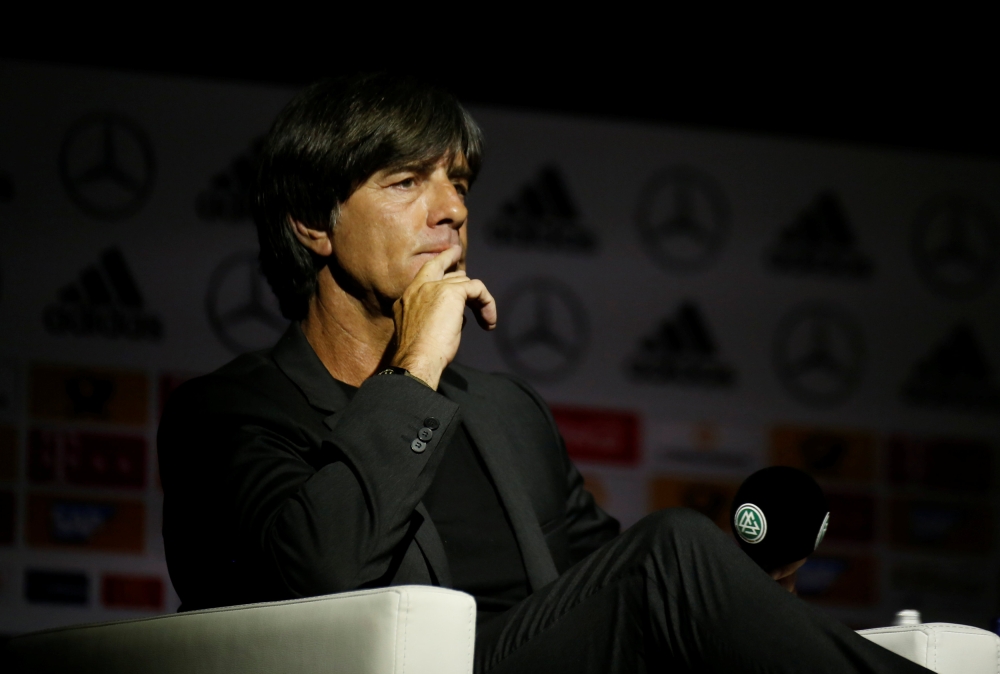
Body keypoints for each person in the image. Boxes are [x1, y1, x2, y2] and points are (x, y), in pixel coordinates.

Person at [158, 73, 927, 673]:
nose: (450, 209)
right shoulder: (226, 414)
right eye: (406, 182)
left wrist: (757, 588)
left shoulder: (503, 411)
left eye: (458, 182)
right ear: (313, 224)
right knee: (675, 550)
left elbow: (613, 590)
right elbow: (318, 569)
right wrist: (417, 363)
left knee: (687, 562)